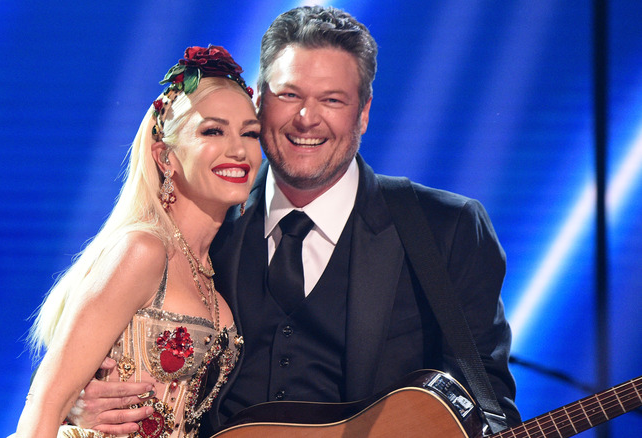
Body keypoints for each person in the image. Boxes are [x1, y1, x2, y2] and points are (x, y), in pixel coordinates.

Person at [69, 6, 522, 436]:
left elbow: (488, 404)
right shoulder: (200, 222)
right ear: (259, 102)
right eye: (289, 95)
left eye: (332, 99)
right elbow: (96, 358)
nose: (307, 119)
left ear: (363, 113)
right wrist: (81, 401)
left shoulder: (447, 228)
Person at [13, 45, 262, 438]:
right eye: (213, 130)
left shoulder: (212, 267)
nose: (239, 149)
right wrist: (72, 410)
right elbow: (47, 399)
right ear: (165, 157)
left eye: (250, 133)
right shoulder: (143, 250)